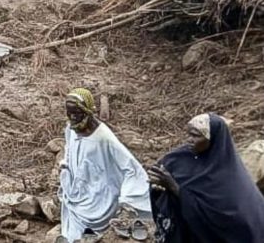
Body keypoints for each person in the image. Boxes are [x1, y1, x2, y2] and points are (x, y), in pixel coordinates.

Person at [148, 113, 264, 243]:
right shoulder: (181, 156)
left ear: (213, 139)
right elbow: (159, 172)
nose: (189, 140)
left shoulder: (228, 177)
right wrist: (158, 185)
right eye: (189, 134)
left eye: (196, 136)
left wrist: (174, 187)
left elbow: (230, 221)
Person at [59, 88, 151, 242]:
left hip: (100, 197)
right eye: (69, 113)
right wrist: (66, 167)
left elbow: (130, 167)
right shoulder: (71, 128)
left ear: (87, 111)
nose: (72, 117)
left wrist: (127, 198)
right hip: (77, 192)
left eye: (77, 113)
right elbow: (69, 149)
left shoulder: (104, 137)